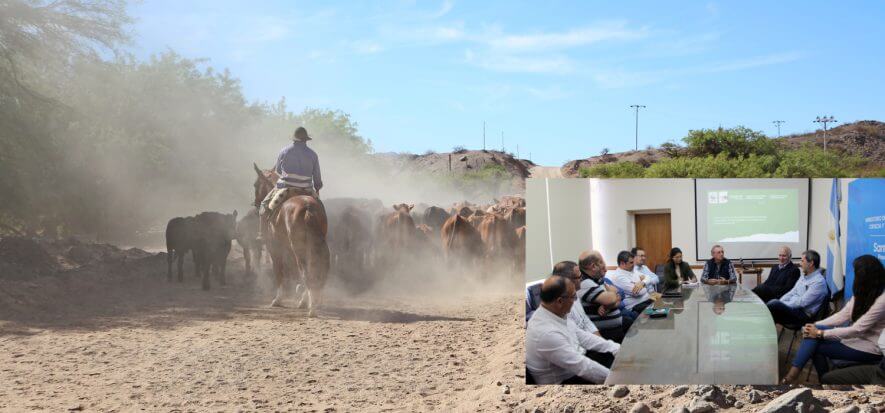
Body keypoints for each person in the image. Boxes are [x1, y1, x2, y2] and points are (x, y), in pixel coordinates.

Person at [781, 255, 885, 384]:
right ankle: (823, 380)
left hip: (870, 348)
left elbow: (858, 329)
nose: (854, 277)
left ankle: (797, 377)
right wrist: (815, 325)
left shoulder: (882, 299)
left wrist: (821, 333)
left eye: (856, 273)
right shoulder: (863, 292)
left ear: (867, 276)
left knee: (814, 343)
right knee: (813, 336)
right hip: (855, 339)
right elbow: (842, 316)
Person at [525, 275, 616, 384]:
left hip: (574, 367)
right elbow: (583, 367)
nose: (575, 300)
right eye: (573, 297)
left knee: (611, 356)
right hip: (562, 384)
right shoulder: (546, 333)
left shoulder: (555, 313)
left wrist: (615, 348)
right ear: (559, 301)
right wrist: (616, 378)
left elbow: (583, 336)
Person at [256, 126, 323, 240]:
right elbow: (317, 179)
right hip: (307, 190)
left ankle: (262, 235)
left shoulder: (284, 151)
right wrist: (317, 187)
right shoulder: (313, 154)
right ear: (306, 140)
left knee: (263, 206)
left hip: (285, 188)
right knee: (320, 208)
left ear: (294, 139)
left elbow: (278, 170)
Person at [552, 261, 620, 368]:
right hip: (579, 355)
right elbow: (576, 341)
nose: (582, 279)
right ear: (568, 280)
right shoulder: (560, 305)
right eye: (579, 277)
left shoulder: (574, 295)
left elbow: (586, 322)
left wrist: (603, 342)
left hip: (587, 346)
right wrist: (604, 347)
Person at [766, 250, 828, 328]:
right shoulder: (804, 276)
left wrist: (783, 304)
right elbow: (792, 291)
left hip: (803, 315)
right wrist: (781, 302)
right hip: (794, 309)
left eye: (802, 261)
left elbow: (802, 302)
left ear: (811, 263)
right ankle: (765, 335)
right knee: (772, 309)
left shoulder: (818, 282)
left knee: (773, 305)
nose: (800, 263)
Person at [578, 250, 630, 343]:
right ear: (593, 266)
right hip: (604, 335)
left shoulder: (598, 280)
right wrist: (612, 295)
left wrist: (608, 306)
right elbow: (613, 298)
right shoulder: (585, 283)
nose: (604, 266)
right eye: (601, 262)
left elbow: (618, 299)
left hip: (614, 331)